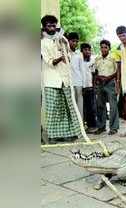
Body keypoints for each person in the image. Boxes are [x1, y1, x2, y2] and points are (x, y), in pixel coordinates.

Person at [41, 15, 80, 144]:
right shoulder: (42, 42)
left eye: (53, 25)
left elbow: (68, 55)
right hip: (51, 80)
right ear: (44, 27)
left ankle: (67, 134)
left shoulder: (62, 39)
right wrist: (60, 58)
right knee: (53, 109)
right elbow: (48, 61)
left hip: (65, 78)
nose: (52, 28)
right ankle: (52, 136)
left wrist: (64, 47)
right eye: (49, 26)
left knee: (66, 107)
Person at [94, 40, 119, 135]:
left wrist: (108, 78)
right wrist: (97, 79)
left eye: (105, 47)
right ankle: (101, 127)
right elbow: (96, 71)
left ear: (109, 48)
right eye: (102, 47)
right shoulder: (97, 59)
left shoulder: (113, 58)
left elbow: (117, 72)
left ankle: (113, 128)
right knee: (100, 105)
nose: (103, 49)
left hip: (110, 83)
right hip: (100, 84)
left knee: (113, 106)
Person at [80, 43, 97, 133]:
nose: (87, 52)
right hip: (81, 87)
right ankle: (82, 125)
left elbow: (94, 74)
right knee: (83, 108)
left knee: (91, 108)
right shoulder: (79, 61)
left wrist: (93, 86)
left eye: (89, 50)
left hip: (90, 87)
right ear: (81, 51)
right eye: (85, 50)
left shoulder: (92, 61)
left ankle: (92, 125)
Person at [67, 32, 84, 119]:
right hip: (68, 83)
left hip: (78, 82)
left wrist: (83, 84)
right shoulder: (64, 52)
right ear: (68, 41)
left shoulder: (79, 54)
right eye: (73, 41)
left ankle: (81, 125)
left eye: (77, 41)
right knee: (70, 105)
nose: (75, 43)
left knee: (79, 104)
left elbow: (82, 70)